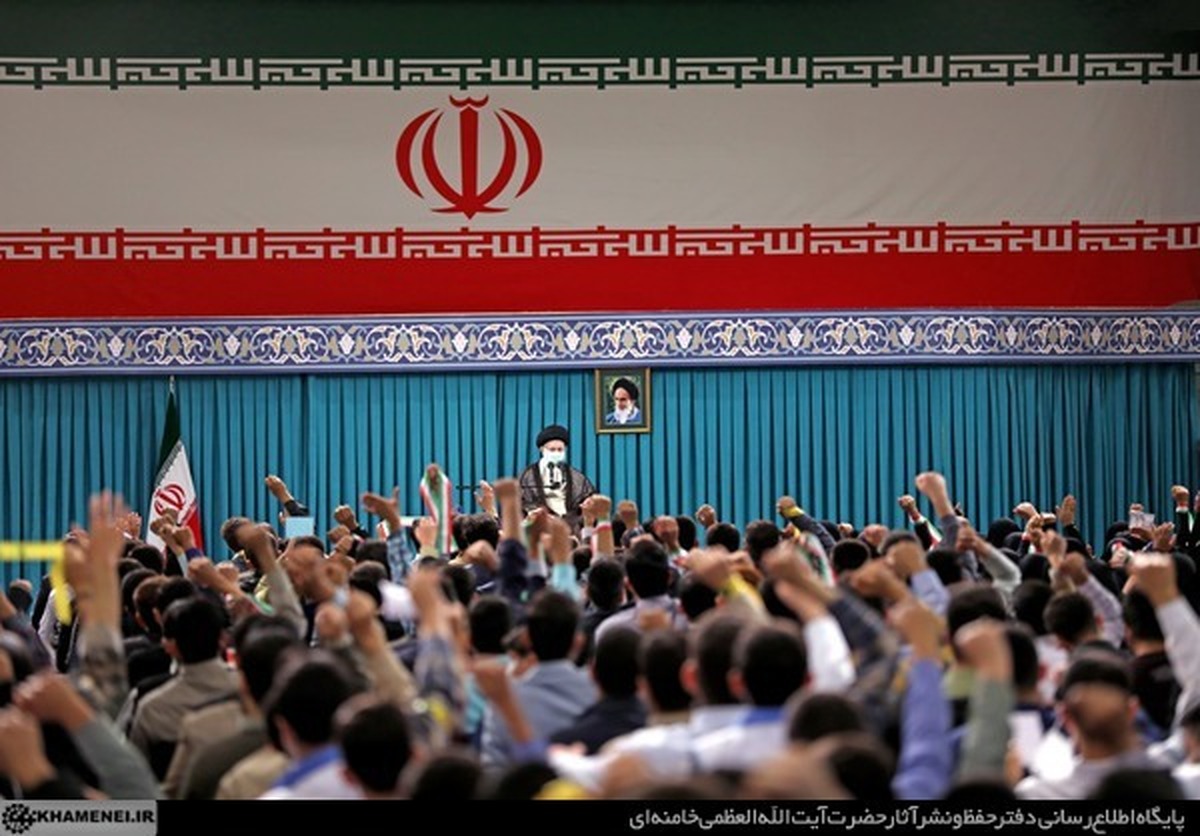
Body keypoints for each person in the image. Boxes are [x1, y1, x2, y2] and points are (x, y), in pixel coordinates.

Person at [518, 425, 596, 532]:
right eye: (552, 449)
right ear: (542, 450)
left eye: (560, 449)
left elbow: (588, 496)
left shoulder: (575, 475)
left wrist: (588, 503)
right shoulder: (527, 475)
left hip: (570, 526)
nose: (556, 453)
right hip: (540, 526)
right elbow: (520, 502)